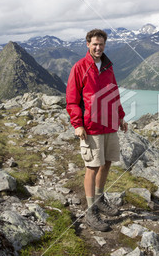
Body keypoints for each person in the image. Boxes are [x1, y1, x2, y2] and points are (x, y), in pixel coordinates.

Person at [66, 29, 128, 232]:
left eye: (101, 44)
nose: (98, 47)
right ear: (87, 44)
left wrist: (120, 117)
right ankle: (91, 211)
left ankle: (100, 199)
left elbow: (114, 93)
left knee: (107, 162)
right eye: (94, 44)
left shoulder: (108, 67)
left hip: (109, 123)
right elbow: (72, 100)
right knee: (92, 166)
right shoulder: (80, 67)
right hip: (90, 126)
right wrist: (78, 124)